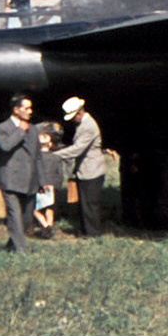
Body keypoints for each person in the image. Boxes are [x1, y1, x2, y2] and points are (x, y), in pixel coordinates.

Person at [50, 97, 106, 237]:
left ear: (79, 113)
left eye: (73, 117)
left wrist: (56, 155)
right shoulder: (83, 124)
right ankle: (86, 230)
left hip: (92, 171)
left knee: (90, 204)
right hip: (86, 170)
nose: (72, 120)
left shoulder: (88, 126)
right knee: (85, 204)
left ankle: (93, 233)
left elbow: (77, 149)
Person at [0, 93, 41, 253]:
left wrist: (43, 180)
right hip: (11, 179)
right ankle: (21, 249)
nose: (30, 111)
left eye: (31, 108)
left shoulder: (33, 129)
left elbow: (37, 156)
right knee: (15, 216)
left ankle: (12, 243)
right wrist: (19, 131)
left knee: (26, 219)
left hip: (30, 180)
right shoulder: (1, 128)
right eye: (26, 108)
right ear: (16, 110)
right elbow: (5, 146)